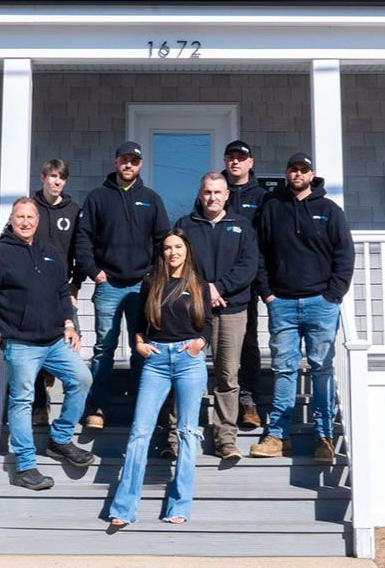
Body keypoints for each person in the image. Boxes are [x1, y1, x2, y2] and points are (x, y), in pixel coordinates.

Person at [0, 198, 94, 491]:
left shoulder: (49, 252)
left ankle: (60, 439)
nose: (25, 222)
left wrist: (69, 323)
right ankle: (24, 466)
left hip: (54, 341)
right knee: (22, 401)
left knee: (82, 378)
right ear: (12, 220)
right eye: (20, 216)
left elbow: (63, 292)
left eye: (31, 217)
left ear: (38, 221)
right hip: (21, 343)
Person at [249, 153, 355, 464]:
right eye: (293, 169)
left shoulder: (329, 210)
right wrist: (267, 293)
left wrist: (333, 295)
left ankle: (324, 437)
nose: (298, 174)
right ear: (286, 172)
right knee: (284, 369)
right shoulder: (272, 207)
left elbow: (344, 255)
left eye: (303, 170)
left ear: (311, 174)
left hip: (320, 304)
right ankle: (279, 437)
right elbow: (259, 253)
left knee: (321, 369)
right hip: (281, 303)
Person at [109, 230, 212, 526]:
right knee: (140, 431)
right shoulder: (152, 283)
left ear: (187, 250)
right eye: (167, 248)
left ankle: (179, 506)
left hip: (188, 360)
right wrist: (139, 343)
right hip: (155, 361)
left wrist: (199, 344)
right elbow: (141, 323)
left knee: (188, 433)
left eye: (178, 246)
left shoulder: (198, 284)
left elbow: (208, 324)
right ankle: (124, 508)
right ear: (162, 253)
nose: (172, 252)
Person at [75, 141, 170, 429]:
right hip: (109, 286)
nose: (129, 165)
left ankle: (142, 408)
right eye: (124, 160)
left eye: (135, 161)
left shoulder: (151, 199)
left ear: (140, 165)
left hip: (142, 286)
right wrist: (94, 272)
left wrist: (154, 277)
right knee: (104, 348)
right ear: (116, 162)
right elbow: (83, 238)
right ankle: (97, 408)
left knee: (142, 346)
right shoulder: (97, 198)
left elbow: (162, 242)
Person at [175, 172, 258, 460]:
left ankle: (226, 439)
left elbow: (249, 265)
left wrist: (218, 288)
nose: (212, 197)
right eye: (207, 192)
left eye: (217, 192)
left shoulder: (242, 226)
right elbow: (177, 263)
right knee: (184, 374)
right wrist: (202, 290)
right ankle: (177, 437)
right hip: (192, 310)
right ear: (201, 194)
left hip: (232, 309)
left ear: (227, 196)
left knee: (227, 375)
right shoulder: (185, 225)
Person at [31, 159, 84, 427]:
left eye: (61, 178)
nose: (57, 182)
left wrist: (76, 285)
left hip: (64, 292)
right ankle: (40, 406)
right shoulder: (31, 209)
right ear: (43, 177)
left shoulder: (73, 211)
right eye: (52, 176)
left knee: (71, 347)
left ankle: (71, 414)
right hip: (33, 293)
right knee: (36, 348)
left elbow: (81, 250)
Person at [221, 140, 268, 429]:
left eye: (241, 158)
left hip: (247, 284)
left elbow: (266, 242)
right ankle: (218, 401)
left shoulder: (262, 197)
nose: (235, 162)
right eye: (231, 157)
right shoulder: (214, 192)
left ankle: (249, 402)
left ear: (250, 162)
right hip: (215, 283)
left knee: (248, 343)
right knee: (212, 344)